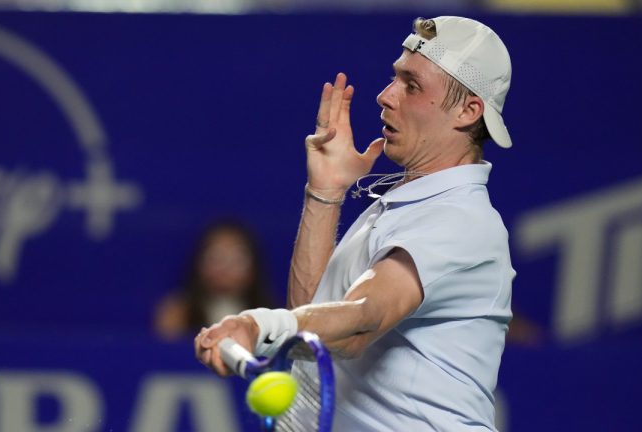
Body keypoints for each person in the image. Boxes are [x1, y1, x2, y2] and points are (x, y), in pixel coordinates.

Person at [195, 16, 515, 431]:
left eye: (411, 86)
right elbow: (316, 322)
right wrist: (325, 192)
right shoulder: (406, 206)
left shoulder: (460, 220)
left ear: (468, 111)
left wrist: (257, 325)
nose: (385, 96)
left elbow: (361, 320)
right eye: (394, 79)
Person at [154, 219, 274, 339]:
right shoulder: (177, 315)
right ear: (199, 262)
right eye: (216, 257)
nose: (225, 268)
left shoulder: (271, 318)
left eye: (237, 259)